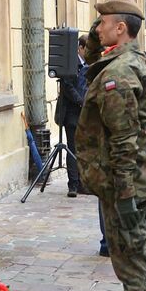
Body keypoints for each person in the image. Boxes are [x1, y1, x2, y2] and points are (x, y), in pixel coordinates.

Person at [77, 0, 146, 291]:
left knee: (132, 265)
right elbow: (91, 51)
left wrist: (126, 197)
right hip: (121, 184)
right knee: (134, 260)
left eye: (102, 23)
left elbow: (124, 142)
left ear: (121, 28)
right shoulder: (120, 61)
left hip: (123, 186)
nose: (96, 29)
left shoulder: (120, 74)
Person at [54, 35, 88, 197]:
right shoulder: (70, 63)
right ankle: (73, 184)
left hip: (86, 114)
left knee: (84, 149)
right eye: (87, 49)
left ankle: (83, 182)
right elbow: (67, 87)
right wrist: (81, 101)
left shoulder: (90, 64)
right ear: (80, 48)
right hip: (72, 114)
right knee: (73, 148)